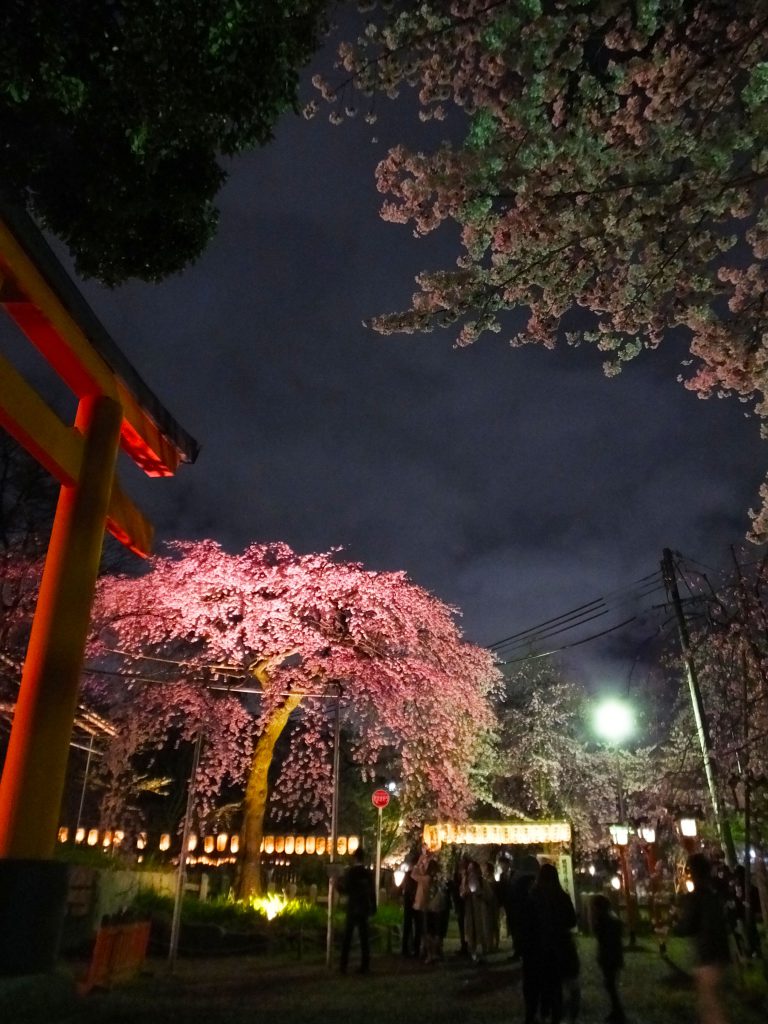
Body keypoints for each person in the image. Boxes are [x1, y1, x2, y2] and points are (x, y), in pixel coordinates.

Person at [674, 853, 731, 1024]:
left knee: (709, 1005)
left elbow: (687, 926)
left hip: (707, 956)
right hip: (721, 953)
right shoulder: (714, 893)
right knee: (713, 1002)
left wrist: (675, 925)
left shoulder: (697, 896)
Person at [530, 862, 580, 1024]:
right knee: (557, 983)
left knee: (544, 983)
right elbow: (572, 921)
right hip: (560, 945)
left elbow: (529, 922)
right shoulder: (562, 896)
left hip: (540, 946)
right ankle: (556, 1015)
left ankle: (543, 1013)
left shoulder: (534, 896)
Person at [339, 847, 377, 974]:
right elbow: (372, 891)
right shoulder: (367, 873)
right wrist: (373, 906)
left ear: (354, 858)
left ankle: (343, 965)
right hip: (364, 907)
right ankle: (365, 965)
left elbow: (346, 889)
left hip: (353, 906)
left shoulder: (351, 872)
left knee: (348, 937)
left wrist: (336, 885)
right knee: (364, 937)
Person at [591, 894, 625, 1024]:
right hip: (615, 955)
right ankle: (616, 1010)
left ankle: (618, 1011)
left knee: (610, 985)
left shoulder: (603, 919)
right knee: (611, 985)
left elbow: (600, 936)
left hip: (608, 956)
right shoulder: (613, 917)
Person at [400, 859, 418, 957]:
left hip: (410, 901)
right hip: (413, 901)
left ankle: (406, 948)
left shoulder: (408, 875)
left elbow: (404, 887)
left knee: (408, 925)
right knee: (414, 925)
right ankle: (414, 948)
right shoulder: (414, 874)